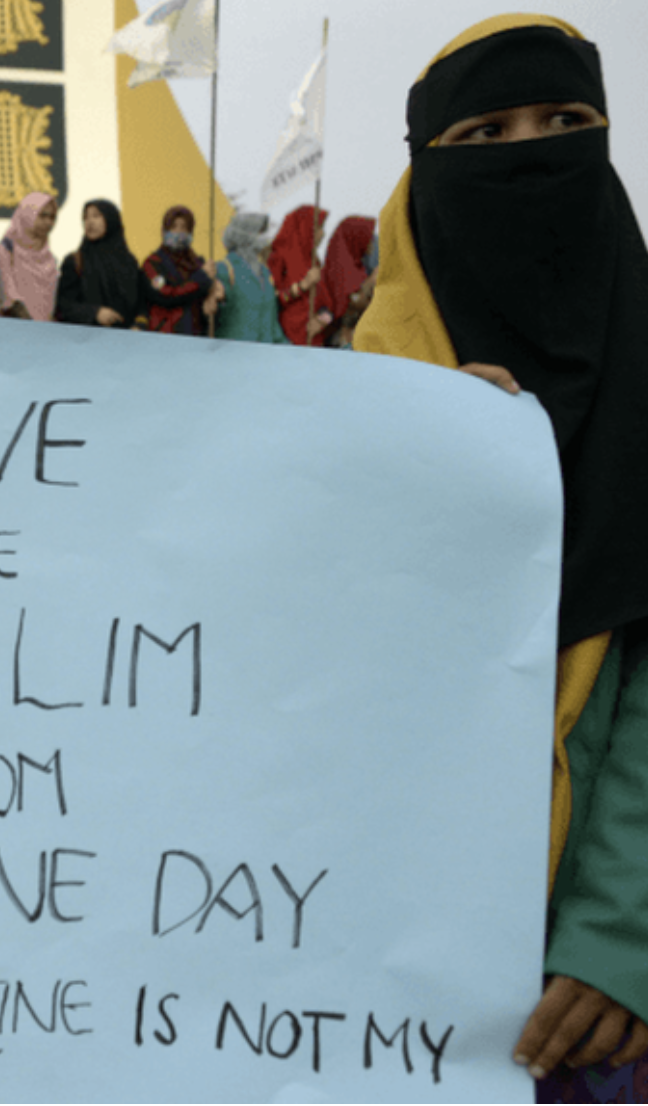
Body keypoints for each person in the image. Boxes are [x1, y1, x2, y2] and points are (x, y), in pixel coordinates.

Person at [354, 15, 648, 1102]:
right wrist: (410, 471)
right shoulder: (341, 409)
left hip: (584, 1008)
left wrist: (620, 936)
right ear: (424, 175)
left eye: (564, 121)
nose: (530, 155)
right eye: (484, 133)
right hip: (360, 973)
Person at [54, 199, 149, 330]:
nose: (90, 222)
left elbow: (141, 303)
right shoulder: (75, 261)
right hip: (87, 338)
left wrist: (139, 325)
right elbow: (63, 306)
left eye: (96, 215)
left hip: (125, 339)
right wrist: (95, 313)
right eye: (86, 217)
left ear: (111, 219)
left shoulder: (129, 262)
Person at [141, 205, 219, 336]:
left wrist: (214, 294)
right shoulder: (153, 263)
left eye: (183, 227)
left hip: (196, 334)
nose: (178, 232)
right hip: (167, 335)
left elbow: (205, 297)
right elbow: (165, 295)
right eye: (173, 227)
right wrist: (200, 279)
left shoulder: (197, 262)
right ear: (164, 231)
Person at [213, 210, 288, 344]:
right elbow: (212, 313)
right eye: (259, 232)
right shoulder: (224, 269)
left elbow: (272, 325)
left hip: (264, 353)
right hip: (234, 353)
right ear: (244, 235)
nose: (264, 237)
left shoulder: (265, 274)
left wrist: (292, 351)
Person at [267, 204, 332, 346]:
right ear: (305, 228)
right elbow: (272, 300)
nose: (323, 234)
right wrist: (302, 285)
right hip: (286, 341)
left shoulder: (314, 261)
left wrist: (322, 320)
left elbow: (325, 304)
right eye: (318, 228)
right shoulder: (278, 257)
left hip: (312, 341)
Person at [0, 191, 58, 321]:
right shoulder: (6, 250)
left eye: (52, 217)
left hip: (43, 330)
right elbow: (8, 296)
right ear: (27, 215)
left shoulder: (49, 258)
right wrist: (29, 325)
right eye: (42, 216)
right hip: (12, 327)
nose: (48, 222)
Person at [320, 215, 376, 347]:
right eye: (368, 237)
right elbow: (349, 304)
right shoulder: (341, 272)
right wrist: (371, 281)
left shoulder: (358, 267)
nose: (371, 242)